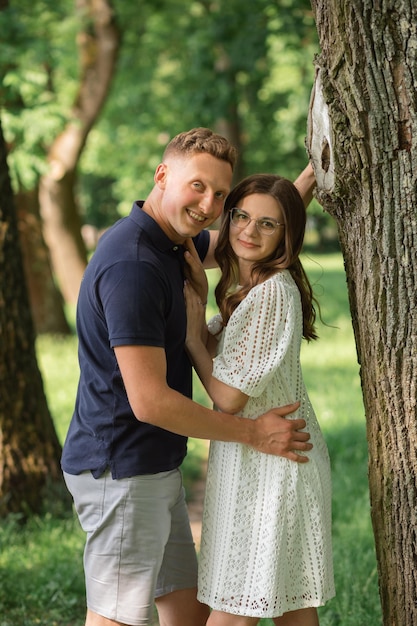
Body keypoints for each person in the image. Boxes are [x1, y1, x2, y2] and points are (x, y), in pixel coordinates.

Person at [61, 127, 315, 626]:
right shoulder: (133, 265)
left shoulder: (173, 241)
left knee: (187, 611)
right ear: (162, 175)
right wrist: (253, 432)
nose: (208, 204)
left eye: (221, 194)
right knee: (116, 616)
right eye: (197, 186)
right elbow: (150, 402)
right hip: (122, 469)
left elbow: (251, 236)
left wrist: (309, 177)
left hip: (154, 465)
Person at [184, 173, 335, 626]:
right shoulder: (251, 289)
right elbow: (230, 366)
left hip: (271, 472)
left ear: (287, 235)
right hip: (270, 461)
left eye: (268, 225)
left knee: (234, 605)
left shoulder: (268, 294)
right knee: (291, 608)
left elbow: (228, 398)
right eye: (242, 217)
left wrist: (194, 340)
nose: (249, 231)